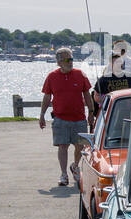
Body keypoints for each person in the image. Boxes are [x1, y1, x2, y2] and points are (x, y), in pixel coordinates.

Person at [38, 47, 94, 187]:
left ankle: (75, 166)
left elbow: (87, 94)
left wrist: (91, 113)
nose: (71, 62)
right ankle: (63, 174)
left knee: (80, 146)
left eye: (72, 59)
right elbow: (47, 96)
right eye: (67, 59)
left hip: (79, 118)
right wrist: (42, 115)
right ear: (59, 62)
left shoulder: (80, 74)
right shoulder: (52, 77)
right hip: (60, 118)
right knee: (62, 146)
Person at [94, 41, 131, 113]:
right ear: (110, 64)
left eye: (118, 62)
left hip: (129, 110)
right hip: (110, 111)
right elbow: (96, 96)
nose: (116, 64)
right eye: (114, 62)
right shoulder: (103, 79)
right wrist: (108, 100)